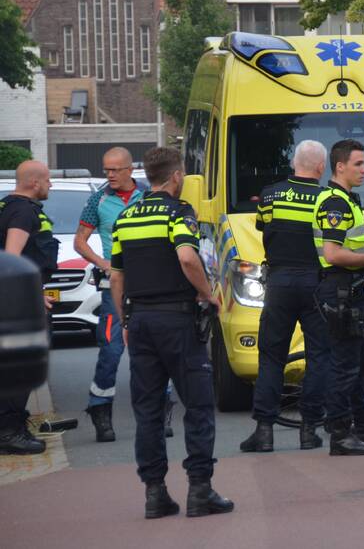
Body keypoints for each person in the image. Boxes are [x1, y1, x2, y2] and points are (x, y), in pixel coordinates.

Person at [109, 147, 233, 519]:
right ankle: (200, 490)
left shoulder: (126, 217)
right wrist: (207, 294)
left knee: (148, 410)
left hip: (141, 321)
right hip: (177, 321)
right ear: (176, 176)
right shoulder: (178, 212)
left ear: (147, 175)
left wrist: (125, 321)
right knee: (197, 405)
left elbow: (117, 276)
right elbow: (186, 256)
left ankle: (155, 493)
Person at [240, 140, 332, 453]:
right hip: (316, 285)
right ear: (321, 167)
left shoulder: (270, 194)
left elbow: (263, 227)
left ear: (294, 163)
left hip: (278, 282)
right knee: (319, 356)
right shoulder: (326, 198)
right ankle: (309, 430)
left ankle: (264, 431)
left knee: (271, 357)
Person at [312, 139, 364, 455]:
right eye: (358, 164)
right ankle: (340, 435)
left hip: (351, 290)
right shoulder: (335, 203)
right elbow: (333, 254)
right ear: (340, 166)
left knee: (360, 365)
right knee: (344, 366)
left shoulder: (347, 199)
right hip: (340, 291)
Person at [74, 147, 150, 443]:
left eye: (115, 170)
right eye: (106, 170)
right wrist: (104, 263)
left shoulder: (147, 197)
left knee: (151, 349)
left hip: (147, 286)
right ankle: (100, 410)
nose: (110, 175)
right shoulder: (98, 199)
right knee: (111, 349)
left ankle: (158, 411)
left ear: (130, 170)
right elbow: (80, 241)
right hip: (112, 289)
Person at [0, 160, 58, 455]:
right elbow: (12, 257)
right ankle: (10, 432)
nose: (50, 185)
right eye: (47, 180)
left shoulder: (6, 206)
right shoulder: (23, 212)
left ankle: (10, 428)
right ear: (34, 183)